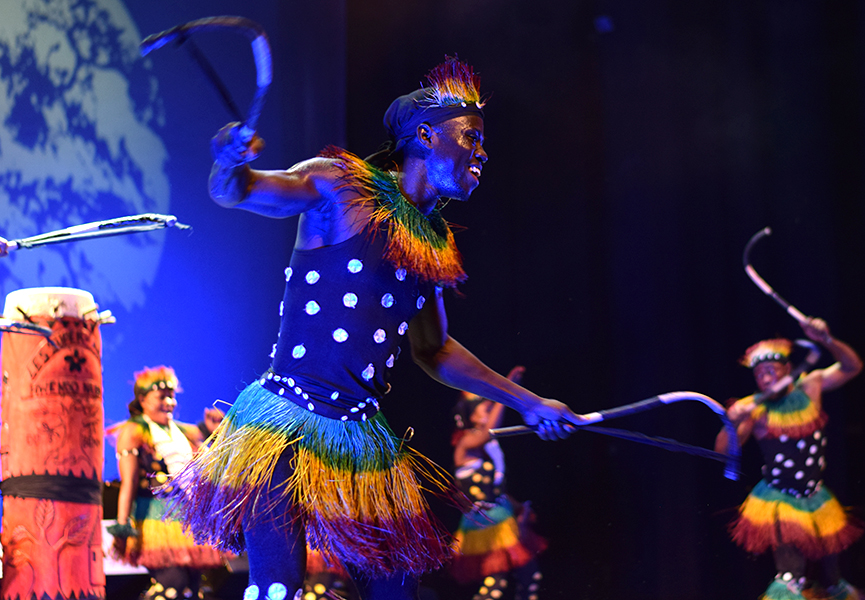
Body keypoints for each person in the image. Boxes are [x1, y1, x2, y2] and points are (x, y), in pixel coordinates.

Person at [163, 57, 583, 600]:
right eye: (471, 136)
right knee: (277, 590)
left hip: (362, 442)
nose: (482, 151)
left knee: (395, 594)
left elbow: (433, 349)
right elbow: (239, 191)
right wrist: (228, 161)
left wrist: (528, 402)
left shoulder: (432, 241)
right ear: (427, 136)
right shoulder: (341, 186)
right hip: (280, 428)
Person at [715, 318, 865, 600]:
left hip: (816, 496)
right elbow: (724, 451)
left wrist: (826, 340)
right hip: (779, 499)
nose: (767, 378)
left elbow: (852, 367)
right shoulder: (753, 408)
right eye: (760, 374)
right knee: (790, 578)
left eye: (772, 370)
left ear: (788, 368)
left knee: (833, 580)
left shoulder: (811, 385)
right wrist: (731, 422)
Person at [109, 366, 227, 600]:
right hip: (154, 520)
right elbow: (129, 482)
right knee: (173, 583)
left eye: (172, 397)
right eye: (162, 397)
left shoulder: (183, 432)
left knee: (192, 588)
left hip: (185, 521)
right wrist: (122, 526)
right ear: (142, 400)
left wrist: (212, 433)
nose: (170, 402)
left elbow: (201, 474)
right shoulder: (134, 431)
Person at [450, 366, 545, 600]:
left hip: (502, 515)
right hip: (485, 522)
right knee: (496, 582)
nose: (490, 409)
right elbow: (490, 430)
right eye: (486, 407)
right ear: (471, 415)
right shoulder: (466, 443)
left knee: (529, 575)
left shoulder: (489, 447)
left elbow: (495, 490)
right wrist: (505, 388)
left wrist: (517, 507)